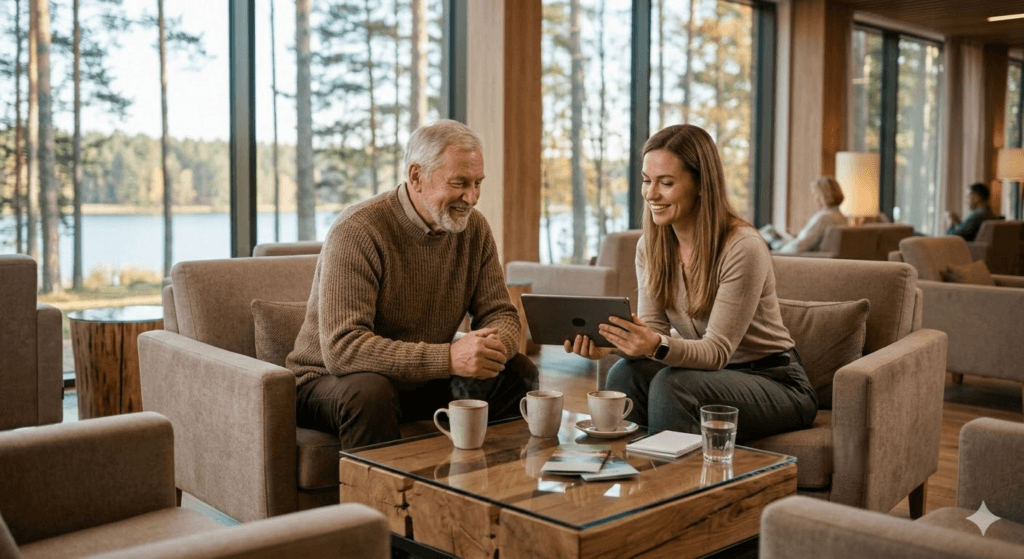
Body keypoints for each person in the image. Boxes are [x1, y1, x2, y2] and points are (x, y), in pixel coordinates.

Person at [287, 119, 537, 449]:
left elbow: (502, 315)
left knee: (516, 370)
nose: (473, 197)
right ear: (416, 177)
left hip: (418, 380)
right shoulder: (359, 230)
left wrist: (490, 349)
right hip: (329, 383)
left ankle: (487, 489)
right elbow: (343, 349)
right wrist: (448, 359)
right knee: (372, 393)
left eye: (478, 183)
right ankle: (380, 501)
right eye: (460, 183)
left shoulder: (474, 230)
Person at [565, 124, 817, 442]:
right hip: (707, 376)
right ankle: (625, 476)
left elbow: (716, 352)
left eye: (666, 183)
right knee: (626, 373)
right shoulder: (651, 246)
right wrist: (611, 345)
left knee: (674, 385)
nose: (651, 194)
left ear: (700, 184)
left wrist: (654, 344)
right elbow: (654, 333)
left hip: (775, 382)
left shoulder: (742, 246)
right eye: (646, 181)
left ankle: (674, 486)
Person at [767, 176, 848, 253]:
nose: (815, 198)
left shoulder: (824, 217)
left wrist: (778, 251)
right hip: (805, 252)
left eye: (815, 194)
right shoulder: (841, 218)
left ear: (823, 196)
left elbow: (800, 246)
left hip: (799, 256)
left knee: (767, 235)